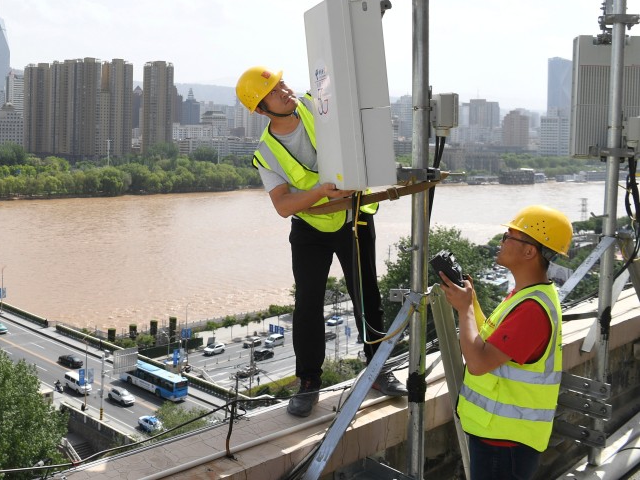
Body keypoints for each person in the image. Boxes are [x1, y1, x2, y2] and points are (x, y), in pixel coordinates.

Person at [236, 66, 407, 418]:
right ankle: (309, 382)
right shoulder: (267, 153)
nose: (285, 90)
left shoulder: (316, 107)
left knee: (366, 295)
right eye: (273, 90)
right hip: (310, 230)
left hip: (353, 217)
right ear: (260, 109)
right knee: (308, 304)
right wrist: (319, 193)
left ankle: (378, 370)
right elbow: (283, 205)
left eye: (282, 83)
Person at [440, 205, 569, 480]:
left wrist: (463, 311)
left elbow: (478, 362)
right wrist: (471, 303)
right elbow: (492, 341)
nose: (502, 242)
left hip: (505, 444)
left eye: (509, 236)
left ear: (529, 251)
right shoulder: (527, 296)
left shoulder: (532, 310)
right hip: (498, 436)